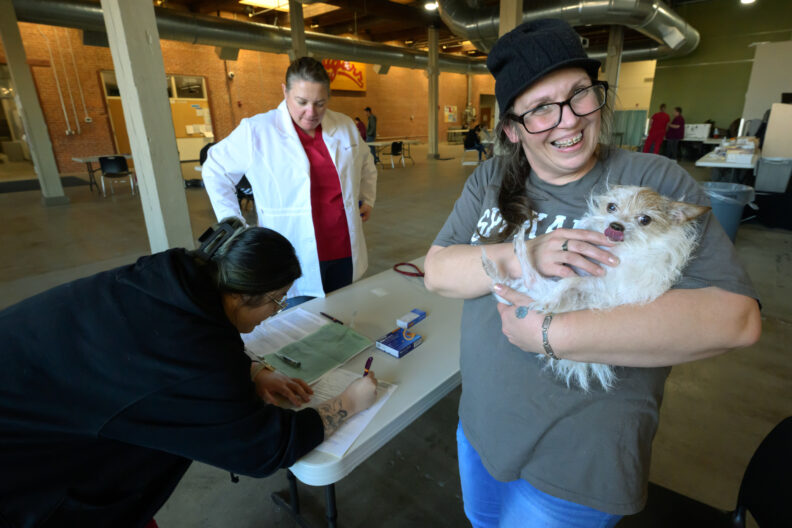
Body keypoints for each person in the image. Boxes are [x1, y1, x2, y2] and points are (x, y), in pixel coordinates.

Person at [424, 19, 761, 528]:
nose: (568, 122)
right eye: (540, 109)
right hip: (479, 431)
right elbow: (437, 272)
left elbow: (734, 320)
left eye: (580, 95)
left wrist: (549, 333)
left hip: (578, 465)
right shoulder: (490, 179)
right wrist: (526, 253)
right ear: (512, 130)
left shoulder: (652, 181)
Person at [0, 217, 378, 527]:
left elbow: (164, 352)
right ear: (241, 295)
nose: (275, 313)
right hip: (26, 475)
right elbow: (264, 449)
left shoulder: (172, 275)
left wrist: (252, 372)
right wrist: (350, 401)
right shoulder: (199, 358)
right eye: (277, 302)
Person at [203, 57, 377, 307]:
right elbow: (215, 168)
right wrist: (233, 222)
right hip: (295, 255)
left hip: (345, 251)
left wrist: (368, 199)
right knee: (303, 333)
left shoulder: (345, 125)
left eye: (320, 103)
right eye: (302, 102)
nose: (311, 112)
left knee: (349, 319)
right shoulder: (257, 130)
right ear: (285, 91)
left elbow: (366, 165)